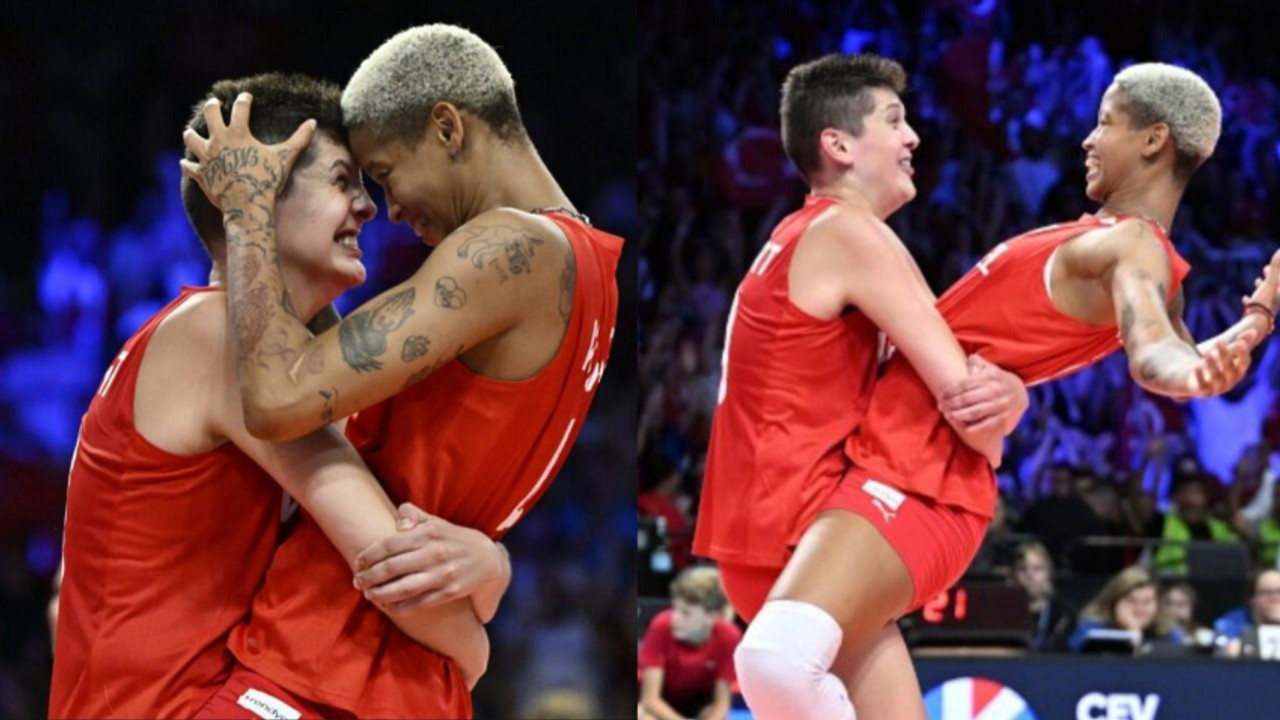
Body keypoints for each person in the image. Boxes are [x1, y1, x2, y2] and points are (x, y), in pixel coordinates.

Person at [734, 60, 1274, 719]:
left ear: (1154, 140)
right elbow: (1180, 351)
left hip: (920, 476)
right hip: (894, 466)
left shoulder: (1132, 246)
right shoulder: (1114, 245)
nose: (1088, 139)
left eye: (1106, 123)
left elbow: (1157, 354)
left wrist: (1189, 371)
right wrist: (1256, 319)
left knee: (776, 660)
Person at [182, 25, 622, 719]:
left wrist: (247, 214)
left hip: (321, 666)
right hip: (408, 680)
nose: (388, 211)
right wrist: (493, 567)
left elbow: (277, 397)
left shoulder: (507, 249)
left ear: (447, 128)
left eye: (385, 174)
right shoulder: (590, 267)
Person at [49, 74, 497, 720]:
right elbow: (393, 567)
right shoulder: (215, 334)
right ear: (259, 198)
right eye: (342, 181)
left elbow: (416, 553)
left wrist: (489, 565)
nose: (369, 207)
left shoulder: (287, 359)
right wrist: (475, 646)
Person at [693, 53, 1027, 630]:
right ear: (838, 145)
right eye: (894, 121)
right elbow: (969, 403)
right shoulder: (849, 232)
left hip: (769, 534)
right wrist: (1007, 413)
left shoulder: (799, 231)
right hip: (805, 536)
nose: (913, 137)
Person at [638, 566, 741, 720]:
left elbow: (721, 704)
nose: (675, 618)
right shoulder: (661, 625)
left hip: (700, 705)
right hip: (662, 704)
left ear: (712, 616)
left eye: (686, 613)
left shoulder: (729, 636)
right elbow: (650, 699)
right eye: (675, 609)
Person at [1069, 566, 1184, 653]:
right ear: (1114, 602)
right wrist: (1132, 633)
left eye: (1147, 602)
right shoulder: (1091, 630)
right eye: (1131, 601)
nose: (1139, 608)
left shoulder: (1170, 634)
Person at [1013, 542, 1075, 653]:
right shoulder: (1002, 611)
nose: (1029, 575)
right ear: (1013, 574)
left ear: (1048, 574)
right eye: (1022, 569)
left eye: (1037, 569)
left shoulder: (1064, 614)